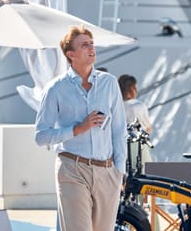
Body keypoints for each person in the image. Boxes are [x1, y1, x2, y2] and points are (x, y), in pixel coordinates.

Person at [34, 25, 127, 231]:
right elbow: (41, 136)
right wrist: (76, 129)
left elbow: (119, 129)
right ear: (71, 54)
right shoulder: (55, 89)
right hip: (72, 168)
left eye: (92, 43)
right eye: (84, 45)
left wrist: (119, 171)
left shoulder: (109, 84)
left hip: (107, 171)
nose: (91, 47)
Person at [118, 74, 153, 164]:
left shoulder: (115, 106)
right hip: (138, 146)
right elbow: (147, 128)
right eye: (134, 87)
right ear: (131, 89)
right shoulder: (139, 106)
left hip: (119, 147)